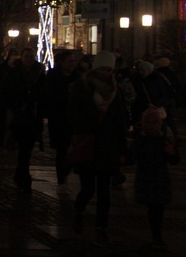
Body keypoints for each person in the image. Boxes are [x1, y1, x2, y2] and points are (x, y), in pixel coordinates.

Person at [69, 51, 128, 247]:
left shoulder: (115, 91)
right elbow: (73, 116)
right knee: (88, 188)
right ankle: (78, 210)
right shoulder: (80, 88)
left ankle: (101, 228)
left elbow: (120, 120)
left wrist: (122, 149)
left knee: (104, 191)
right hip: (88, 144)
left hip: (107, 147)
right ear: (96, 69)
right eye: (103, 69)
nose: (106, 73)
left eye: (109, 70)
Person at [133, 105, 181, 250]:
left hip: (160, 180)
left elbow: (175, 160)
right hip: (146, 179)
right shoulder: (140, 140)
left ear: (160, 124)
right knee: (152, 208)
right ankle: (156, 235)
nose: (151, 126)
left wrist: (172, 153)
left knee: (158, 209)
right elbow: (132, 155)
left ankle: (157, 235)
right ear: (143, 124)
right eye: (148, 122)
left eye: (155, 122)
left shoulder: (163, 140)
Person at [1, 46, 46, 193]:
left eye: (31, 56)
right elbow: (5, 90)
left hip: (33, 115)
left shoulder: (39, 73)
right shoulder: (13, 72)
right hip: (18, 114)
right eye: (26, 56)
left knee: (28, 147)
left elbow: (44, 92)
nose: (29, 59)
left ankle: (21, 173)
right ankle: (24, 176)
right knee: (22, 146)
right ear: (21, 57)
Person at [43, 50, 79, 186]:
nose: (72, 64)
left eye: (74, 61)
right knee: (61, 149)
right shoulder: (52, 76)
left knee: (73, 148)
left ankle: (66, 170)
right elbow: (48, 96)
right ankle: (61, 178)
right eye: (70, 61)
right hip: (58, 118)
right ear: (62, 62)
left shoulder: (77, 77)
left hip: (73, 118)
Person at [0, 49, 17, 148]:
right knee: (3, 121)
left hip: (14, 102)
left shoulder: (19, 69)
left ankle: (11, 141)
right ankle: (3, 140)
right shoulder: (3, 68)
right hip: (4, 101)